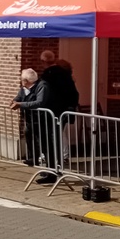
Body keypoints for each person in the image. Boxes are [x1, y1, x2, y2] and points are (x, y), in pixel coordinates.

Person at [31, 51, 80, 183]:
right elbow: (74, 93)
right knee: (56, 140)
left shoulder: (48, 76)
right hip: (62, 113)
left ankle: (52, 171)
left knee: (49, 142)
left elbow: (44, 95)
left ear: (43, 61)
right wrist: (70, 107)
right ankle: (55, 168)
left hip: (51, 113)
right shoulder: (65, 74)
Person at [11, 68, 39, 165]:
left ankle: (40, 157)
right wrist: (14, 101)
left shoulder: (37, 89)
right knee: (28, 135)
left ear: (26, 81)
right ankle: (32, 158)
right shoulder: (23, 89)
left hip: (37, 117)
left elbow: (36, 102)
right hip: (28, 118)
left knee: (38, 139)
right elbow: (18, 98)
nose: (21, 81)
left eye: (22, 79)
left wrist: (20, 104)